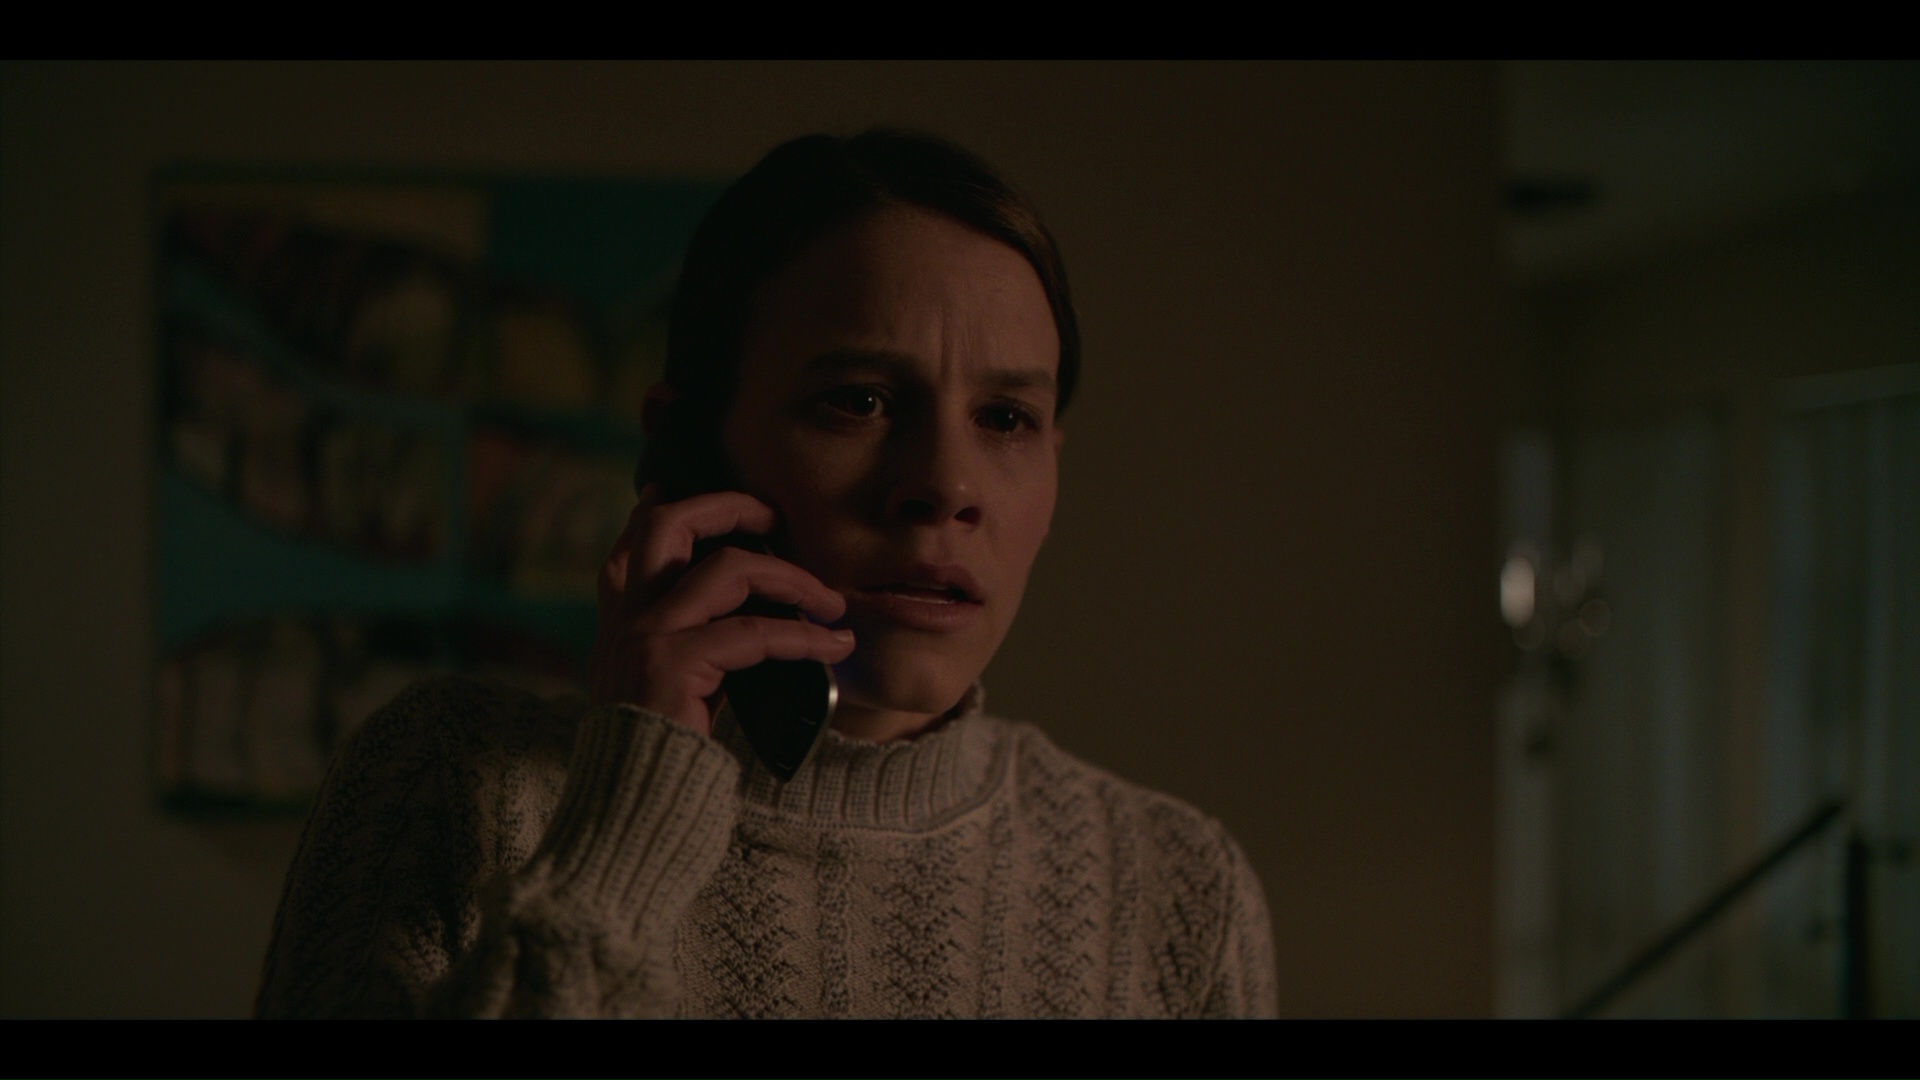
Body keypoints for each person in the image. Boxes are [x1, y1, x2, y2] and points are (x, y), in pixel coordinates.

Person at [254, 130, 1278, 1019]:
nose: (945, 487)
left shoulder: (1180, 888)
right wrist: (619, 837)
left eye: (1005, 418)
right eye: (860, 401)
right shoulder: (448, 784)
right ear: (688, 451)